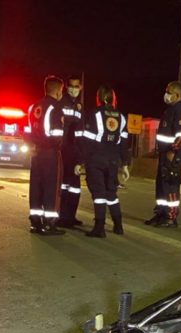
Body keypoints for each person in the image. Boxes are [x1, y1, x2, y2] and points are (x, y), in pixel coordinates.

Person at [80, 84, 130, 238]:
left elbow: (87, 141)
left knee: (99, 193)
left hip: (96, 159)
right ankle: (118, 225)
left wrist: (81, 161)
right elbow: (124, 143)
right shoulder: (121, 117)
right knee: (111, 193)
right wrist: (125, 165)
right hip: (113, 160)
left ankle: (99, 227)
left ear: (99, 98)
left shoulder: (95, 114)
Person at [144, 81, 181, 227]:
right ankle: (161, 213)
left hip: (173, 155)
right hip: (164, 153)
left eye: (169, 92)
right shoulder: (170, 110)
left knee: (170, 185)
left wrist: (172, 152)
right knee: (161, 185)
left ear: (177, 95)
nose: (166, 95)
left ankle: (171, 216)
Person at [26, 76, 66, 235]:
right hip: (50, 153)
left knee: (36, 186)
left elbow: (28, 131)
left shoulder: (34, 106)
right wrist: (58, 145)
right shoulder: (55, 107)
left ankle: (35, 222)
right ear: (58, 91)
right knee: (52, 187)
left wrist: (32, 145)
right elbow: (56, 134)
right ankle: (50, 223)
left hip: (36, 153)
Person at [58, 75, 84, 228]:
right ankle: (62, 216)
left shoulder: (79, 105)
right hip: (63, 148)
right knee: (64, 184)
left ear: (80, 88)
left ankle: (71, 216)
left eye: (76, 86)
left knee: (75, 187)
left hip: (75, 150)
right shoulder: (61, 102)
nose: (74, 89)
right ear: (66, 87)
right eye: (71, 86)